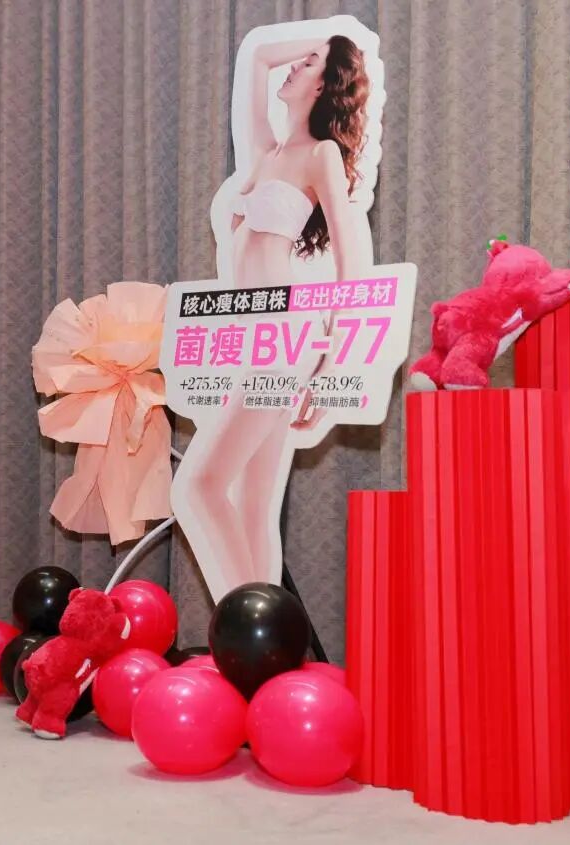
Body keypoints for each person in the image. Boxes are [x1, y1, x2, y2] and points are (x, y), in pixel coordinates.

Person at [174, 34, 373, 592]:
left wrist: (334, 361)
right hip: (255, 336)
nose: (292, 68)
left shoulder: (320, 155)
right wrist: (316, 46)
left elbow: (350, 256)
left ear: (325, 84)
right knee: (254, 504)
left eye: (308, 65)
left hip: (284, 338)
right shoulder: (267, 151)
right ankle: (268, 636)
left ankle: (245, 623)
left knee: (198, 487)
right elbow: (260, 58)